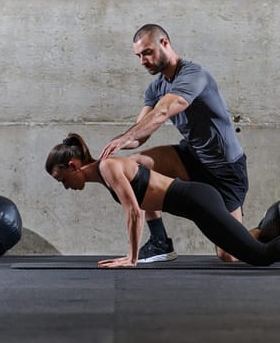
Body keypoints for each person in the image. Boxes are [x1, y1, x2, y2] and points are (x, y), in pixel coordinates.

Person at [46, 133, 280, 268]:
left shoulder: (107, 166)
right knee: (250, 254)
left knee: (260, 256)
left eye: (61, 179)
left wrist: (130, 258)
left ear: (72, 166)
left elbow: (134, 213)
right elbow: (146, 202)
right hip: (197, 204)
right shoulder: (106, 173)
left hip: (198, 200)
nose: (64, 187)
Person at [99, 24, 248, 263]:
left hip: (225, 169)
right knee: (135, 165)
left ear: (165, 43)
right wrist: (108, 154)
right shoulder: (156, 87)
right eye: (138, 56)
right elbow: (141, 133)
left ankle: (267, 232)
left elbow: (163, 111)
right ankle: (160, 242)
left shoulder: (194, 75)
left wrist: (125, 138)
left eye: (147, 52)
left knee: (229, 254)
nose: (142, 61)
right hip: (191, 157)